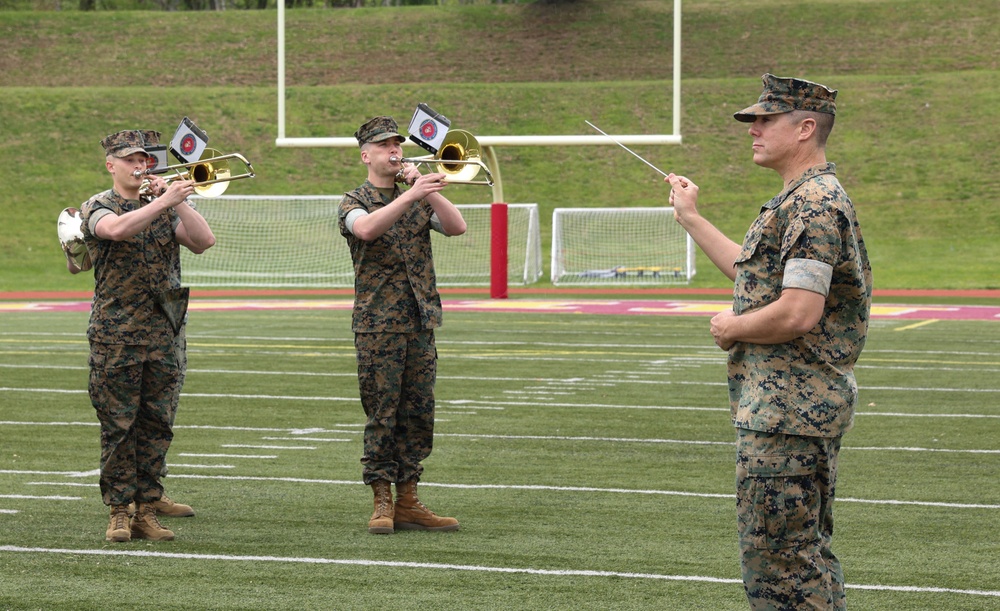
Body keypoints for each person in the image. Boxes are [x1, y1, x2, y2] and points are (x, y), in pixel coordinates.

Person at [666, 74, 872, 610]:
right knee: (797, 559)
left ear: (805, 128)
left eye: (765, 119)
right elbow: (751, 276)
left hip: (789, 412)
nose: (753, 129)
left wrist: (730, 327)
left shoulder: (813, 204)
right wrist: (691, 218)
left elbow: (798, 311)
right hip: (790, 409)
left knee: (783, 569)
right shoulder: (800, 199)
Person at [76, 129, 215, 542]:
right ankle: (120, 509)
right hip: (116, 333)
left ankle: (148, 506)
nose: (139, 167)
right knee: (119, 424)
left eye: (143, 160)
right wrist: (163, 204)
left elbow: (203, 242)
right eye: (130, 160)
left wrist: (179, 201)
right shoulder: (98, 206)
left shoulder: (163, 205)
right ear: (111, 164)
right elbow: (116, 231)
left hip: (163, 333)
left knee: (157, 423)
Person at [338, 116, 467, 535]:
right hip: (377, 324)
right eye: (385, 146)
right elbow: (368, 229)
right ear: (366, 155)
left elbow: (456, 227)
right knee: (382, 412)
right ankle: (381, 499)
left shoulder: (415, 196)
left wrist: (427, 190)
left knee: (418, 413)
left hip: (420, 320)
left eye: (397, 145)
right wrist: (411, 195)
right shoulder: (353, 200)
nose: (395, 152)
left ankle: (409, 498)